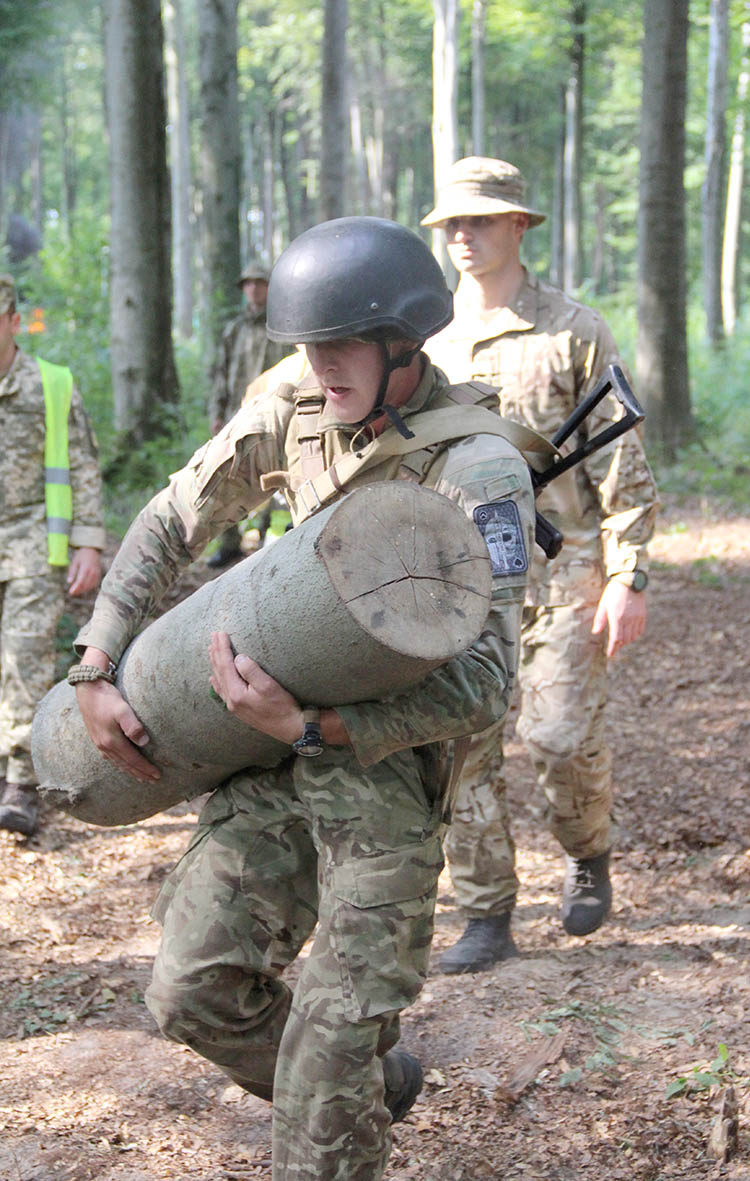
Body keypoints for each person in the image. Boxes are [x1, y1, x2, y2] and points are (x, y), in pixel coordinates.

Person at [70, 217, 539, 1180]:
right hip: (270, 760)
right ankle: (379, 1079)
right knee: (191, 992)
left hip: (386, 775)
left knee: (325, 1053)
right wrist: (96, 658)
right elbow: (171, 516)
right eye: (308, 345)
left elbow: (490, 681)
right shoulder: (299, 403)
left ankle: (342, 1086)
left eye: (341, 344)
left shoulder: (478, 468)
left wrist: (318, 723)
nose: (320, 365)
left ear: (404, 344)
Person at [421, 157, 659, 972]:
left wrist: (629, 574)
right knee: (463, 748)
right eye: (452, 222)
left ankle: (587, 848)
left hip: (564, 569)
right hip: (460, 579)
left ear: (518, 226)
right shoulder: (425, 342)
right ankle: (486, 912)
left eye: (480, 220)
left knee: (557, 737)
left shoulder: (572, 329)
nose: (463, 235)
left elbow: (621, 460)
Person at [0, 273, 104, 837]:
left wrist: (88, 540)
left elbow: (82, 465)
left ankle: (19, 780)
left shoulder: (51, 384)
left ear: (14, 322)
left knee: (25, 658)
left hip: (33, 543)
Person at [206, 260, 291, 568]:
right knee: (227, 476)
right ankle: (228, 543)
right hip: (236, 414)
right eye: (249, 284)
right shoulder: (234, 330)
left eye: (261, 283)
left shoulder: (282, 326)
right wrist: (217, 412)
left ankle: (271, 536)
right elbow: (220, 374)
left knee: (276, 474)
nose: (254, 289)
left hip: (274, 412)